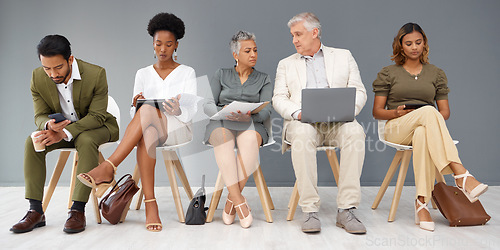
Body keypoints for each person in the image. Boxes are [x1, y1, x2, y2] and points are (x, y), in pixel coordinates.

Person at [77, 13, 197, 232]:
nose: (162, 50)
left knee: (148, 112)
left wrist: (178, 109)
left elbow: (191, 111)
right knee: (147, 130)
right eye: (158, 44)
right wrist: (136, 105)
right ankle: (151, 205)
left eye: (168, 45)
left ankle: (108, 167)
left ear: (176, 45)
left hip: (178, 127)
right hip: (150, 128)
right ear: (152, 44)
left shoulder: (187, 72)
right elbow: (136, 115)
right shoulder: (142, 73)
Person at [372, 22, 488, 232]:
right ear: (401, 46)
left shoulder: (436, 73)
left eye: (418, 42)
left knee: (423, 131)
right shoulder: (388, 73)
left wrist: (427, 114)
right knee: (427, 111)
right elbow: (377, 111)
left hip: (424, 127)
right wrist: (396, 112)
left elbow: (444, 113)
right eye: (409, 43)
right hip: (396, 127)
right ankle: (460, 174)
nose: (414, 47)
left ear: (424, 44)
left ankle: (421, 204)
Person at [10, 35, 119, 234]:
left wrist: (64, 133)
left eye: (57, 67)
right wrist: (48, 125)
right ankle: (35, 211)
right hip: (60, 131)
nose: (52, 74)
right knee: (32, 141)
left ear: (70, 59)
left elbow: (97, 116)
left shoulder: (96, 74)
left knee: (85, 140)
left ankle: (77, 210)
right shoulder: (37, 77)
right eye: (47, 68)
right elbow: (39, 115)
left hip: (99, 128)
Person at [272, 12, 367, 234]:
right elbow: (278, 98)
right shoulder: (286, 64)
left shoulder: (343, 56)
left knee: (355, 131)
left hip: (338, 122)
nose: (294, 40)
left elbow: (359, 90)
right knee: (303, 135)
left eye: (298, 34)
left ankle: (346, 209)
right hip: (302, 123)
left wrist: (348, 112)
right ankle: (310, 210)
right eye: (292, 35)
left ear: (314, 32)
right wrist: (297, 113)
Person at [204, 30, 272, 228]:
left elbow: (267, 109)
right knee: (223, 139)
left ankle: (230, 201)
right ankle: (239, 200)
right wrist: (221, 109)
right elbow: (207, 104)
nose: (253, 55)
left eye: (255, 50)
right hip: (221, 123)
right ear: (235, 55)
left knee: (250, 140)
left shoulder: (264, 78)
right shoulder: (221, 74)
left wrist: (250, 116)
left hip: (251, 124)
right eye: (247, 51)